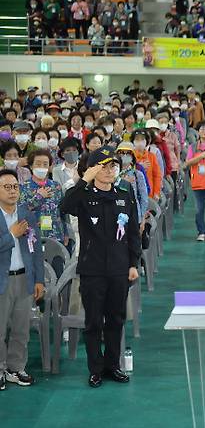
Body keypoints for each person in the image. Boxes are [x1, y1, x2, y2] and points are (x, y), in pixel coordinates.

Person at [59, 146, 141, 388]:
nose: (108, 171)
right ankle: (95, 369)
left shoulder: (124, 195)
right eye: (102, 166)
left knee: (116, 319)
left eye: (112, 166)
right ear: (93, 169)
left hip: (119, 268)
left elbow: (133, 232)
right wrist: (84, 179)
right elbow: (65, 207)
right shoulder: (83, 194)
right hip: (92, 268)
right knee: (93, 321)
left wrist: (134, 263)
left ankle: (112, 365)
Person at [0, 169, 44, 390]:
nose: (12, 191)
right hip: (2, 280)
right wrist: (11, 235)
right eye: (6, 187)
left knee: (21, 328)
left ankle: (15, 368)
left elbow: (36, 251)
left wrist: (39, 280)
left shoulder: (27, 214)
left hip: (24, 279)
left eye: (15, 186)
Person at [19, 149, 66, 244]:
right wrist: (39, 197)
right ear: (31, 166)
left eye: (45, 164)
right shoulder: (24, 187)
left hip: (55, 235)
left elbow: (62, 211)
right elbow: (20, 211)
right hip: (32, 237)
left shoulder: (56, 186)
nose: (42, 167)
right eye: (38, 164)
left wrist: (65, 232)